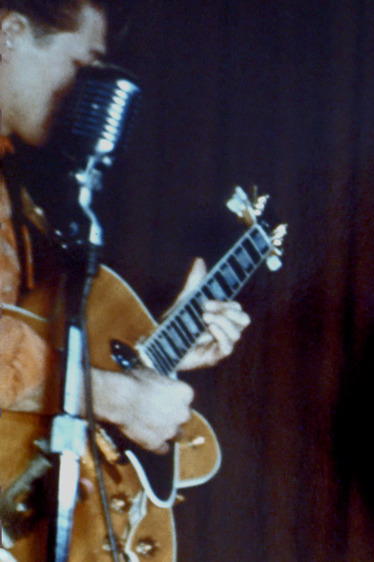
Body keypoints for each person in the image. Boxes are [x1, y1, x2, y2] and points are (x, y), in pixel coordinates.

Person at [1, 0, 249, 460]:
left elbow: (16, 370)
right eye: (80, 64)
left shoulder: (15, 185)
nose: (82, 91)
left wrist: (154, 356)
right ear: (10, 34)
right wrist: (122, 399)